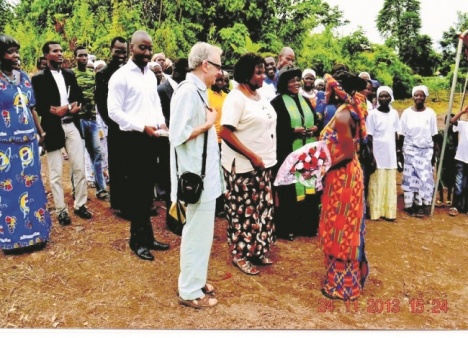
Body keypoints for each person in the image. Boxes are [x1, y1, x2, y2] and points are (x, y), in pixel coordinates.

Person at [169, 42, 223, 308]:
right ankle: (189, 291)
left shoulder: (199, 92)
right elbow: (177, 134)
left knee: (204, 232)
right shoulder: (187, 92)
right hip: (194, 178)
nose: (220, 73)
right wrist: (208, 124)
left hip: (205, 175)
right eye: (218, 66)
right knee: (196, 232)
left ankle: (197, 279)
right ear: (205, 65)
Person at [108, 30, 169, 261]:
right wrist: (141, 126)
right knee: (137, 192)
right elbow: (114, 111)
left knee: (147, 192)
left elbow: (154, 103)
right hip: (132, 140)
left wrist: (161, 122)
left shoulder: (150, 76)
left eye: (149, 48)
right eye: (142, 47)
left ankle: (148, 237)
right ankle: (137, 241)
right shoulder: (120, 76)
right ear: (132, 48)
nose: (147, 52)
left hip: (152, 137)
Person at [220, 53, 277, 276]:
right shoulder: (236, 98)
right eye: (259, 72)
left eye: (263, 71)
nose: (264, 76)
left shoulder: (259, 96)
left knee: (262, 209)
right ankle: (240, 254)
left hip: (263, 164)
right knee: (242, 212)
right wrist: (252, 155)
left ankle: (257, 249)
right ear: (246, 74)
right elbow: (225, 132)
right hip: (243, 167)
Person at [318, 70, 369, 301]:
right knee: (346, 227)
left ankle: (341, 287)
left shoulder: (343, 115)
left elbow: (346, 153)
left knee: (341, 230)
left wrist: (323, 166)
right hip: (349, 174)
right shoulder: (352, 110)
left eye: (330, 87)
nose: (327, 91)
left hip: (342, 176)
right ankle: (347, 283)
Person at [0, 34, 52, 254]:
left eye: (17, 51)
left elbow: (31, 108)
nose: (16, 56)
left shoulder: (25, 78)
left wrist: (41, 133)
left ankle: (37, 235)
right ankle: (12, 240)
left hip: (29, 143)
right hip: (5, 146)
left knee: (32, 187)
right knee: (9, 192)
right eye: (10, 51)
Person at [32, 41, 92, 226]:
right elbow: (38, 105)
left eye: (61, 50)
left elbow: (78, 97)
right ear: (46, 55)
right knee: (56, 172)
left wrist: (72, 107)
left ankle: (80, 204)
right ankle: (61, 210)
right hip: (52, 127)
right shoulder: (39, 78)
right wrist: (53, 111)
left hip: (71, 124)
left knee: (79, 167)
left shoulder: (69, 73)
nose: (60, 53)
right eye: (55, 51)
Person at [271, 65, 322, 241]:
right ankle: (287, 228)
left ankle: (307, 226)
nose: (296, 83)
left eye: (297, 80)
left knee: (308, 187)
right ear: (284, 83)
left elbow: (315, 119)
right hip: (288, 154)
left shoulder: (305, 101)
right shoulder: (277, 103)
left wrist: (316, 126)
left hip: (307, 155)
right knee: (289, 190)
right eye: (292, 81)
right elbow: (275, 130)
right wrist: (292, 131)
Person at [94, 36, 129, 219]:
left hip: (131, 126)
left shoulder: (130, 72)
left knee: (130, 164)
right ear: (111, 50)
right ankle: (119, 204)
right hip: (115, 126)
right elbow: (100, 102)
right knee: (117, 164)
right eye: (118, 51)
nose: (121, 54)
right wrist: (112, 122)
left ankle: (132, 201)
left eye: (124, 51)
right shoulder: (103, 73)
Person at [156, 57, 189, 234]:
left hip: (184, 143)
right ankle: (173, 220)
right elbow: (160, 117)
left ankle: (183, 217)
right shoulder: (162, 90)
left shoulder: (187, 91)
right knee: (171, 183)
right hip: (167, 143)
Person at [73, 46, 109, 201]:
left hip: (92, 119)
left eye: (85, 55)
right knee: (77, 156)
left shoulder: (92, 74)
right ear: (75, 57)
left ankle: (101, 189)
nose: (83, 58)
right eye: (80, 55)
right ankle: (77, 190)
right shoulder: (71, 74)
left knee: (97, 154)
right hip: (77, 120)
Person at [398, 85, 438, 218]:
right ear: (413, 96)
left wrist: (434, 154)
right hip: (409, 149)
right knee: (410, 177)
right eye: (416, 95)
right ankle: (410, 205)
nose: (419, 97)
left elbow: (434, 134)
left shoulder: (430, 113)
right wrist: (399, 152)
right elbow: (401, 134)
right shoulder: (406, 113)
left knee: (424, 177)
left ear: (425, 97)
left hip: (426, 150)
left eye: (421, 95)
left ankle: (421, 204)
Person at [366, 86, 401, 221]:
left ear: (391, 97)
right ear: (378, 98)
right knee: (377, 182)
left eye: (386, 96)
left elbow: (396, 134)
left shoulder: (394, 114)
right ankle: (375, 212)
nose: (384, 99)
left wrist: (398, 153)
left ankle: (389, 213)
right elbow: (369, 137)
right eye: (381, 96)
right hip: (378, 153)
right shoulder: (373, 114)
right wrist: (371, 155)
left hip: (391, 154)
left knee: (389, 182)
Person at [208, 70, 228, 218]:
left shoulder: (227, 96)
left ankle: (222, 204)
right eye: (219, 80)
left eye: (224, 81)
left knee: (224, 173)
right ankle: (214, 205)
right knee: (214, 173)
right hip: (213, 139)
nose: (221, 83)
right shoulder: (206, 95)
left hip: (226, 140)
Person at [447, 105, 468, 216]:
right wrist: (462, 112)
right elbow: (452, 121)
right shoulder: (463, 125)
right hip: (461, 158)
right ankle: (455, 206)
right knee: (459, 184)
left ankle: (465, 207)